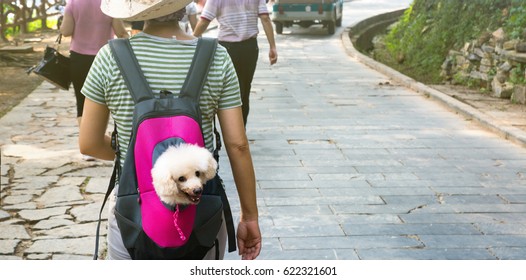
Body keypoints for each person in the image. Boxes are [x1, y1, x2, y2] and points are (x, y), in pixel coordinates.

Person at [79, 0, 261, 260]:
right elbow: (238, 145)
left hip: (133, 208)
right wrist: (250, 216)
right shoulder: (217, 55)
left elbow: (89, 143)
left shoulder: (110, 57)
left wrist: (135, 157)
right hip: (202, 208)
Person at [59, 0, 128, 161]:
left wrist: (62, 25)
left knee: (81, 100)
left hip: (79, 58)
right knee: (107, 99)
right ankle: (102, 139)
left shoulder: (73, 4)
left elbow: (67, 30)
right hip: (106, 58)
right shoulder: (109, 4)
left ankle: (87, 148)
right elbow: (121, 32)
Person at [193, 0, 278, 126]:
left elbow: (205, 20)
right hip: (249, 48)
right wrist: (272, 46)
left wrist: (192, 39)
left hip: (226, 49)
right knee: (244, 90)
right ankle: (240, 129)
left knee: (224, 91)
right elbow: (265, 18)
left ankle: (228, 129)